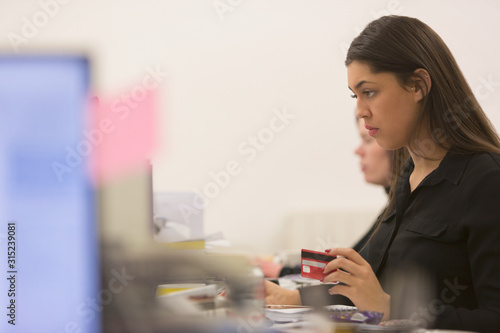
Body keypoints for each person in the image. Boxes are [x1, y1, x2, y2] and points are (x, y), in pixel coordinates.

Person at [267, 15, 500, 332]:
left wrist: (393, 309)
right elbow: (365, 292)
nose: (360, 111)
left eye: (370, 92)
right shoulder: (408, 176)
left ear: (418, 85)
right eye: (355, 95)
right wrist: (287, 296)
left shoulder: (486, 179)